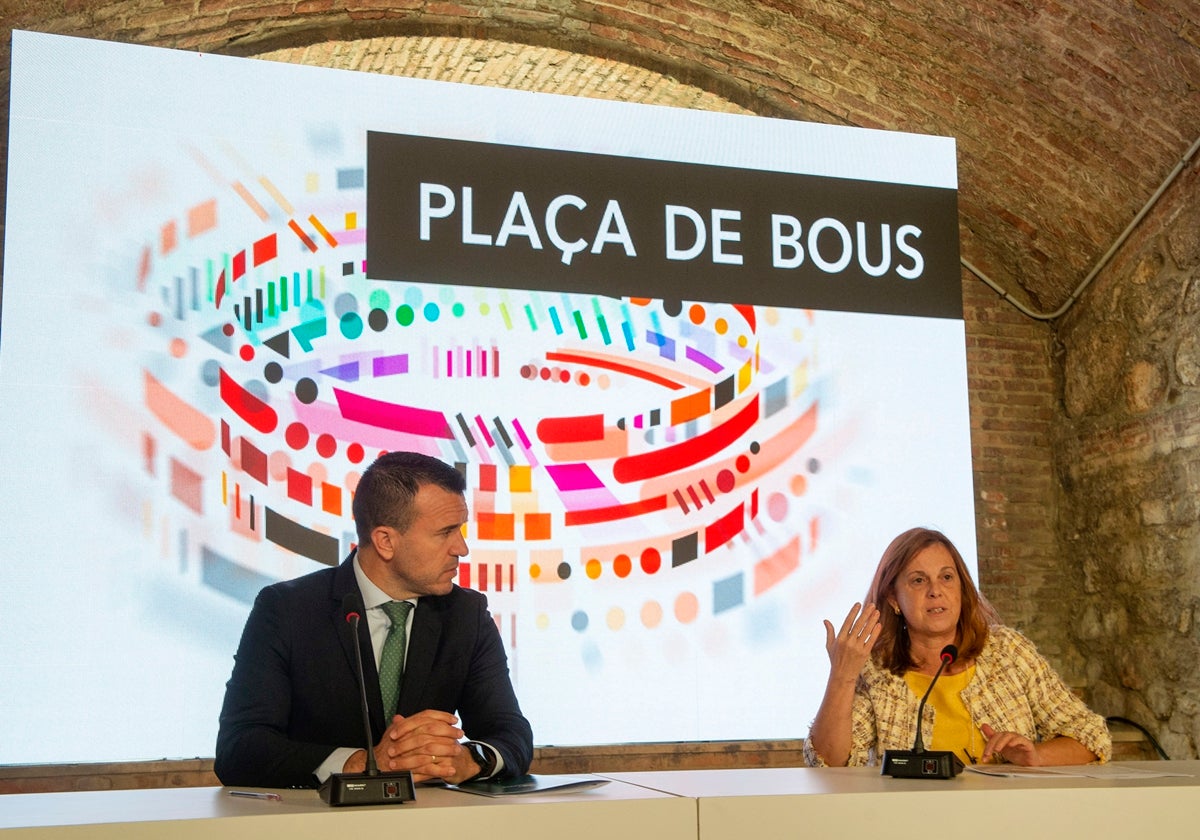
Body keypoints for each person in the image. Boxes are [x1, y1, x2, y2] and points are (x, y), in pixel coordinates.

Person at [215, 451, 534, 788]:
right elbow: (240, 748)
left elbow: (511, 734)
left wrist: (469, 760)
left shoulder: (466, 615)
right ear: (385, 541)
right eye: (445, 532)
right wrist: (362, 764)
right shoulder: (287, 610)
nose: (462, 548)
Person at [804, 527, 1110, 768]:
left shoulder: (1008, 652)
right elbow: (829, 762)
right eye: (919, 580)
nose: (936, 591)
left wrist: (1036, 757)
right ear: (895, 600)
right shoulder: (876, 670)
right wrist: (842, 676)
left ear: (961, 589)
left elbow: (1092, 737)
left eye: (946, 577)